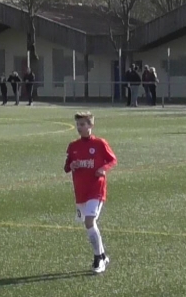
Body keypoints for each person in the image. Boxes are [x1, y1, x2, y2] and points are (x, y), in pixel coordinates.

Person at [64, 112, 116, 274]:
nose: (79, 128)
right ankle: (103, 256)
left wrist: (103, 168)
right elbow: (66, 167)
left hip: (96, 189)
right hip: (81, 191)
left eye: (83, 124)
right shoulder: (73, 146)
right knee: (88, 224)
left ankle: (98, 259)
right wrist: (71, 165)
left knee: (89, 221)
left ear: (90, 125)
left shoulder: (100, 143)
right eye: (78, 125)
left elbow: (112, 160)